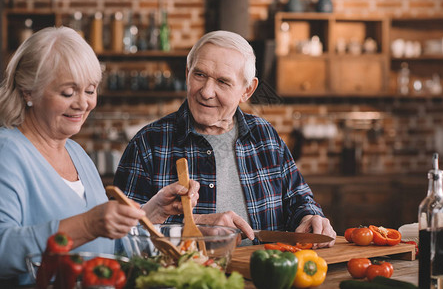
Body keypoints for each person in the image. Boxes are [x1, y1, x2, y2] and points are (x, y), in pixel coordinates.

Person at [0, 26, 200, 285]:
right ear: (28, 91)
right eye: (68, 92)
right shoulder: (8, 152)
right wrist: (86, 225)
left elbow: (107, 248)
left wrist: (154, 211)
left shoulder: (76, 153)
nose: (83, 103)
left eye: (90, 90)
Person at [114, 30, 336, 247]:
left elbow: (298, 198)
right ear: (187, 74)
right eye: (199, 75)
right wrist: (190, 227)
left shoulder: (265, 136)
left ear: (247, 91)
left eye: (223, 82)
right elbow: (119, 234)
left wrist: (309, 216)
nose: (207, 92)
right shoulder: (148, 143)